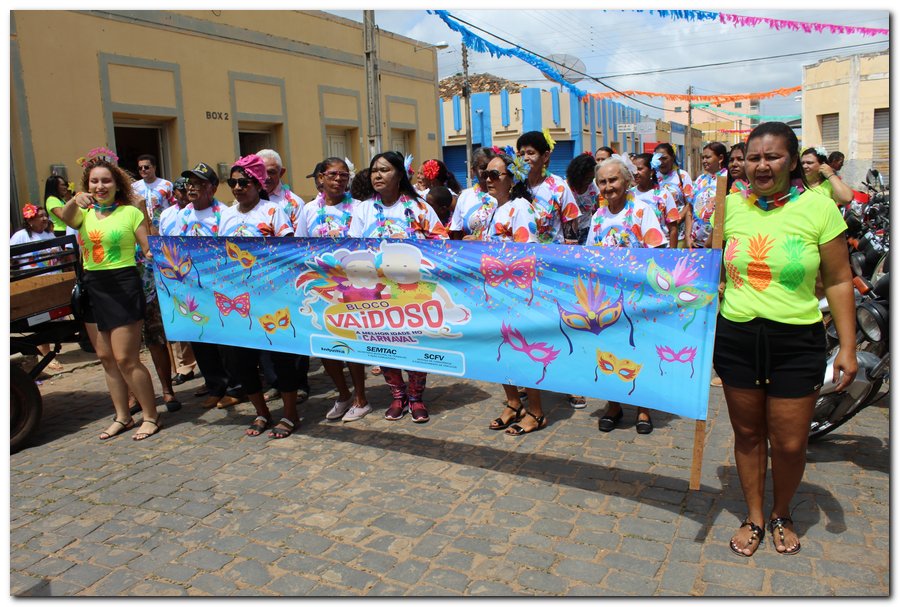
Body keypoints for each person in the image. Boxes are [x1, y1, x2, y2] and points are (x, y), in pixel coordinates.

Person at [715, 122, 857, 557]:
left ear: (792, 161)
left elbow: (836, 280)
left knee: (791, 442)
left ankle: (782, 511)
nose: (761, 165)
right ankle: (755, 515)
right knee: (748, 434)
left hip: (797, 340)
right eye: (754, 157)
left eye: (773, 156)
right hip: (737, 336)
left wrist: (849, 348)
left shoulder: (819, 208)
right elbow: (709, 271)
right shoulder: (729, 206)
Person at [60, 149, 160, 441]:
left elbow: (149, 248)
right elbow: (67, 219)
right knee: (106, 358)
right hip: (93, 286)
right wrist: (73, 199)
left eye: (106, 181)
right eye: (94, 182)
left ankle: (151, 416)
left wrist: (144, 213)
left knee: (126, 358)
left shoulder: (130, 212)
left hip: (123, 286)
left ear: (117, 184)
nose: (99, 187)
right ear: (87, 185)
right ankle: (122, 416)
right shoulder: (83, 213)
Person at [348, 150, 448, 423]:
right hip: (377, 293)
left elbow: (441, 242)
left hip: (412, 291)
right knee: (384, 345)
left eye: (384, 170)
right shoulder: (363, 209)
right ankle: (397, 395)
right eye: (374, 170)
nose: (377, 175)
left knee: (415, 343)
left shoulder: (419, 208)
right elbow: (352, 248)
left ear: (399, 174)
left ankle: (416, 398)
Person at [218, 154, 300, 439]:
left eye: (244, 182)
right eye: (233, 182)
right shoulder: (226, 215)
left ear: (258, 183)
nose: (238, 188)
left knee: (280, 358)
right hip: (236, 299)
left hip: (270, 297)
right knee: (242, 361)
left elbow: (288, 251)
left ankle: (290, 414)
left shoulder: (273, 212)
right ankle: (262, 412)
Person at [586, 156, 665, 435]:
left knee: (639, 350)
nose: (608, 187)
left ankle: (643, 408)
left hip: (638, 297)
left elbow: (657, 253)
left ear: (627, 181)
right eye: (602, 182)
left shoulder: (642, 211)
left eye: (613, 180)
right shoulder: (598, 217)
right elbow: (590, 256)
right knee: (610, 350)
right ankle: (614, 405)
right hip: (607, 298)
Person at [475, 151, 547, 435]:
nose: (488, 179)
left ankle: (537, 411)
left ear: (512, 178)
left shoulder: (520, 207)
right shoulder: (495, 208)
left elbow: (526, 252)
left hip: (516, 293)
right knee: (500, 348)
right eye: (486, 174)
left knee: (524, 349)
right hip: (493, 291)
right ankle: (513, 402)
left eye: (495, 174)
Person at [299, 157, 370, 423]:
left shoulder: (360, 208)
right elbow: (300, 246)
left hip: (353, 285)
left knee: (351, 341)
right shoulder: (308, 210)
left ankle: (361, 397)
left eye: (344, 175)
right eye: (333, 174)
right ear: (320, 178)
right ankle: (343, 394)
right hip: (320, 286)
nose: (339, 179)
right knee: (324, 345)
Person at [176, 162, 233, 408]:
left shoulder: (225, 213)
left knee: (226, 339)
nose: (192, 188)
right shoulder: (183, 214)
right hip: (193, 287)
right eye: (190, 183)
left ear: (213, 188)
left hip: (219, 286)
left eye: (199, 183)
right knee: (201, 338)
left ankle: (236, 385)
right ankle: (214, 385)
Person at [257, 148, 311, 403]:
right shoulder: (247, 199)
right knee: (265, 330)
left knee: (292, 330)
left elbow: (298, 243)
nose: (265, 177)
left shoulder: (292, 203)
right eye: (260, 172)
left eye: (271, 172)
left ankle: (299, 383)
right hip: (258, 279)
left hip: (287, 277)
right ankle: (275, 382)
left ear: (282, 172)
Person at [158, 176, 198, 385]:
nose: (184, 194)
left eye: (187, 189)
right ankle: (185, 365)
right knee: (181, 314)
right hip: (175, 271)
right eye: (179, 190)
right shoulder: (167, 214)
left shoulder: (197, 211)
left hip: (197, 270)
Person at [517, 130, 581, 244]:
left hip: (553, 256)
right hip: (524, 256)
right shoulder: (516, 187)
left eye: (530, 153)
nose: (525, 158)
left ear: (545, 156)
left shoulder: (559, 187)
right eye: (522, 154)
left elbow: (571, 230)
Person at [630, 153, 679, 248]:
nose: (635, 173)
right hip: (637, 251)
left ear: (651, 171)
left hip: (661, 249)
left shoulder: (664, 194)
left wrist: (672, 255)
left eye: (640, 169)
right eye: (634, 169)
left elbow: (673, 229)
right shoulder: (629, 195)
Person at [448, 146, 496, 240]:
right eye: (483, 167)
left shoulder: (503, 195)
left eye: (492, 167)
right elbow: (456, 232)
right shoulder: (465, 197)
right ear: (473, 171)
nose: (487, 171)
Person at [688, 142, 728, 249]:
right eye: (703, 157)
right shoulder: (700, 179)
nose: (704, 161)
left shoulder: (728, 178)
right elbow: (690, 209)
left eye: (708, 157)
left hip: (717, 243)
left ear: (720, 158)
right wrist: (688, 237)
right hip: (696, 243)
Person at [653, 142, 694, 248]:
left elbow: (689, 203)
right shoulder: (653, 177)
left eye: (664, 158)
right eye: (658, 159)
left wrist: (678, 218)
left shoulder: (682, 176)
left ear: (673, 157)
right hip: (658, 236)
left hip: (679, 234)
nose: (661, 162)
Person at [132, 154, 175, 231]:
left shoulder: (166, 185)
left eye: (146, 167)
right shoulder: (134, 187)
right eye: (140, 168)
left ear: (154, 168)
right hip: (142, 227)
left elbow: (174, 205)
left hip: (162, 226)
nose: (143, 169)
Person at [564, 153, 599, 246]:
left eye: (592, 178)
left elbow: (597, 211)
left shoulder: (593, 188)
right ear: (577, 175)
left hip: (587, 230)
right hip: (568, 234)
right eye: (586, 178)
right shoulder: (564, 188)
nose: (589, 181)